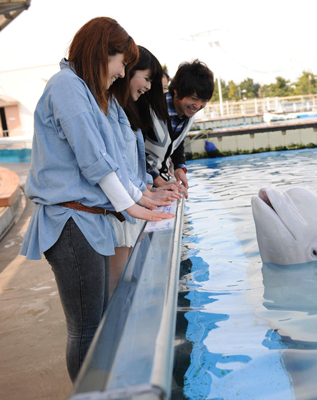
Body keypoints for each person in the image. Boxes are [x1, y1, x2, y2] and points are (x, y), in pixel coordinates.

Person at [19, 17, 172, 382]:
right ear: (102, 52)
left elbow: (113, 161)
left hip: (90, 221)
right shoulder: (67, 86)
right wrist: (133, 205)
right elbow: (93, 159)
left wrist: (141, 199)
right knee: (87, 329)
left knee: (98, 322)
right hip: (71, 223)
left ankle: (102, 387)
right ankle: (90, 391)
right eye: (121, 61)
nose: (122, 72)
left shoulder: (87, 92)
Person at [107, 46, 183, 295]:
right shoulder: (109, 109)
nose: (150, 89)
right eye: (148, 79)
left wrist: (147, 193)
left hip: (131, 205)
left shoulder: (125, 110)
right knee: (118, 285)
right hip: (118, 210)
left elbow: (131, 166)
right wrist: (144, 197)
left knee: (131, 279)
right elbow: (111, 167)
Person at [144, 59, 215, 191]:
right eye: (194, 98)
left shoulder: (187, 114)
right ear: (177, 90)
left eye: (203, 101)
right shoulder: (151, 109)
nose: (197, 106)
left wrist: (179, 167)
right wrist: (157, 180)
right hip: (142, 182)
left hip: (161, 178)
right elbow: (135, 152)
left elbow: (177, 142)